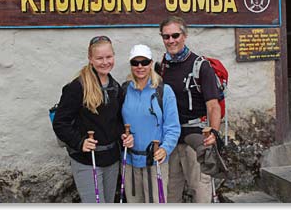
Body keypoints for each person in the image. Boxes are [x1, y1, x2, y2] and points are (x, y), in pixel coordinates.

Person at [53, 35, 134, 203]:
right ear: (90, 59)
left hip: (111, 159)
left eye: (109, 57)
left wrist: (124, 135)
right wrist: (80, 142)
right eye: (99, 58)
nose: (105, 62)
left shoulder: (115, 87)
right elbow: (60, 123)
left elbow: (116, 121)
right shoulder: (77, 87)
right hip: (87, 161)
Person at [157, 16, 222, 203]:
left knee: (200, 191)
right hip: (170, 140)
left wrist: (214, 134)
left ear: (184, 35)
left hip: (194, 138)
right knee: (171, 193)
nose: (171, 41)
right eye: (166, 37)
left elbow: (213, 105)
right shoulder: (163, 66)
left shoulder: (201, 66)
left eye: (175, 35)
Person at [121, 44, 180, 203]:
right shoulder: (124, 90)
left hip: (155, 161)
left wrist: (165, 148)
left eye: (144, 62)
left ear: (151, 63)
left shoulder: (164, 91)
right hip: (130, 161)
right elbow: (117, 123)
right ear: (131, 65)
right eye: (135, 63)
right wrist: (121, 136)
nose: (140, 66)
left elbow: (173, 127)